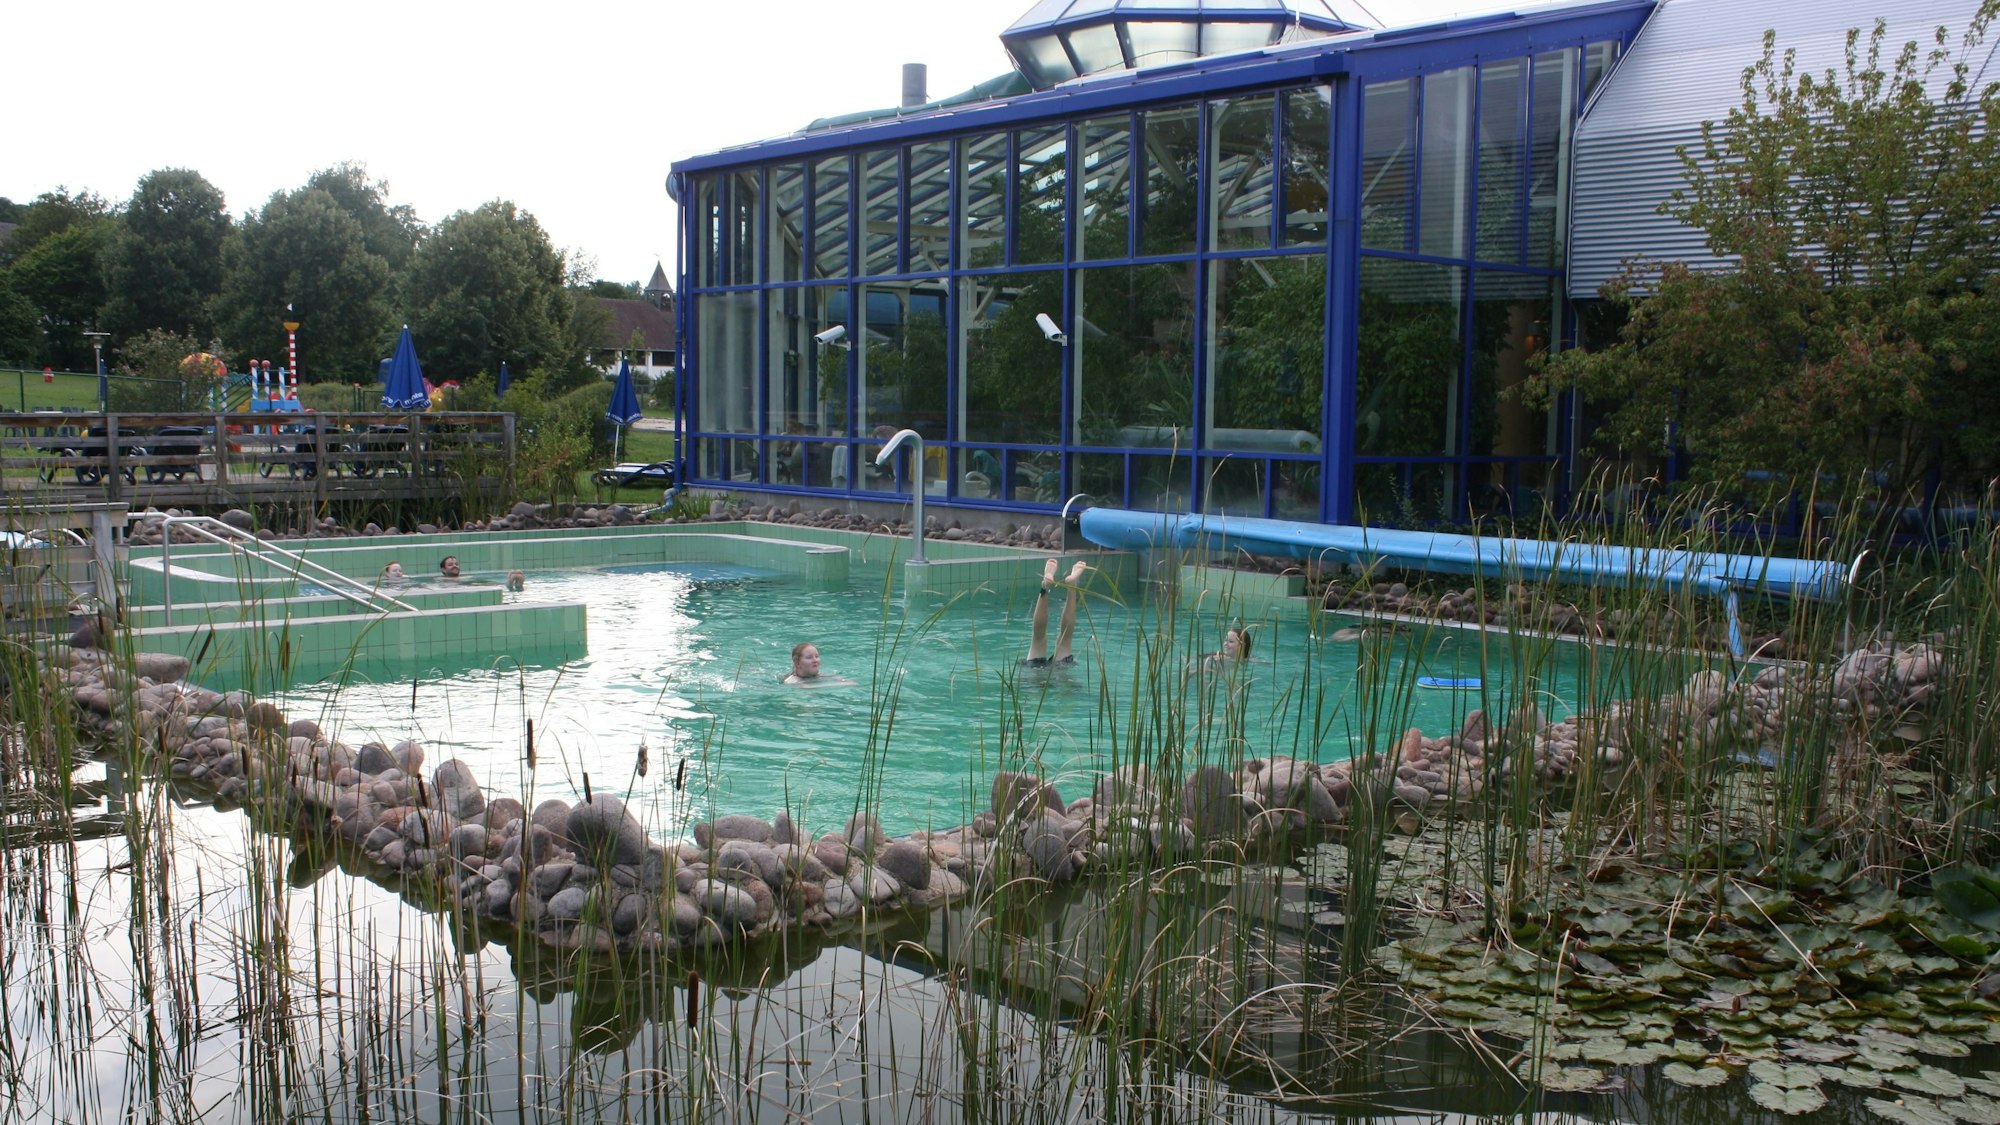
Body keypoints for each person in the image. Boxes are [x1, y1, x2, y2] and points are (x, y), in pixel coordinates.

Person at [1022, 557, 1090, 668]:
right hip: (1061, 669)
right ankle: (1072, 586)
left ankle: (1045, 586)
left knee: (1038, 639)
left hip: (1034, 670)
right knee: (1064, 639)